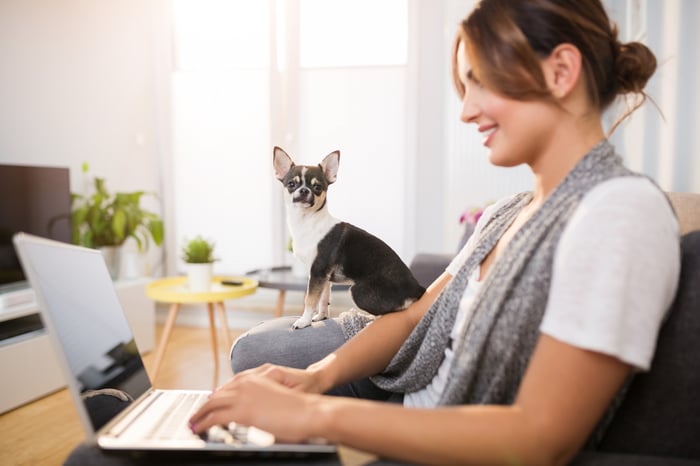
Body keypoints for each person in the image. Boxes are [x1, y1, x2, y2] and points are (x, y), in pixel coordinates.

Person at [66, 1, 680, 465]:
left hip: (421, 442)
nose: (465, 109)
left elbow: (541, 435)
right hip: (399, 400)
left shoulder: (617, 213)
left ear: (561, 69)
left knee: (93, 458)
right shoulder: (511, 209)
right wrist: (314, 377)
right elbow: (415, 318)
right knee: (183, 411)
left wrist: (315, 414)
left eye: (479, 83)